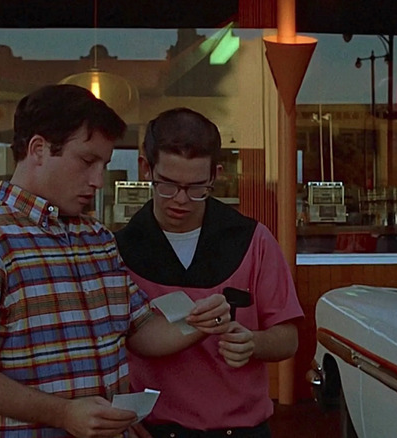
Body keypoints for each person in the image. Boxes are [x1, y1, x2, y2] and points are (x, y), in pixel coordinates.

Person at [0, 84, 231, 437]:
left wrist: (201, 321)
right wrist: (63, 414)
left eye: (104, 164)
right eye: (87, 161)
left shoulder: (97, 237)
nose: (98, 181)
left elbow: (140, 330)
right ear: (38, 149)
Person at [115, 108, 303, 438]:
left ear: (215, 175)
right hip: (153, 430)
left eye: (197, 187)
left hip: (241, 429)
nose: (181, 200)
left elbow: (288, 338)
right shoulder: (118, 249)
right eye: (168, 186)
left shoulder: (253, 240)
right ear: (146, 169)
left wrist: (253, 343)